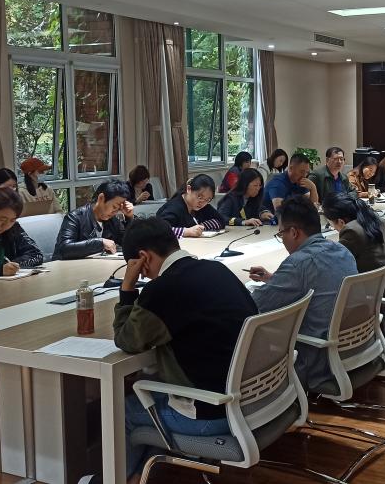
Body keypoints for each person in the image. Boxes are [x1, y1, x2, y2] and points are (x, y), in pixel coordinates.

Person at [111, 217, 258, 483]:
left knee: (122, 410)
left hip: (212, 414)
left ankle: (121, 479)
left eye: (140, 269)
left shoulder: (162, 291)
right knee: (152, 386)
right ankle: (143, 474)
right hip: (252, 398)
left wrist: (128, 287)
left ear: (143, 257)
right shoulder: (217, 269)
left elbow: (126, 340)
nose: (145, 276)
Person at [247, 195, 357, 391]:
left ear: (294, 232)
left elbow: (254, 307)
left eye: (281, 234)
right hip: (350, 347)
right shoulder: (342, 251)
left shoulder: (299, 264)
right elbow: (313, 283)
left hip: (315, 359)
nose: (282, 240)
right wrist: (274, 279)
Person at [323, 192, 385, 328]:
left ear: (340, 221)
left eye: (331, 223)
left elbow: (334, 264)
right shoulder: (378, 221)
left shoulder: (351, 231)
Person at [54, 180, 133, 260]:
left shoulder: (112, 220)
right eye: (114, 207)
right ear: (101, 198)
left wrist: (129, 218)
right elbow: (64, 249)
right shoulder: (75, 217)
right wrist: (100, 242)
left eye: (118, 209)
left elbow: (128, 243)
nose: (115, 212)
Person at [156, 174, 227, 238]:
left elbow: (221, 221)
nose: (202, 203)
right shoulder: (174, 207)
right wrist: (187, 231)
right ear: (189, 189)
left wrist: (201, 227)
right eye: (199, 197)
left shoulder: (203, 206)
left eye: (208, 200)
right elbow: (160, 230)